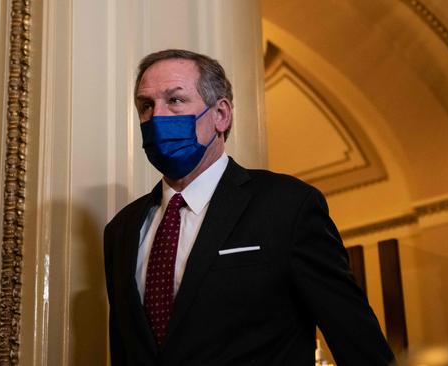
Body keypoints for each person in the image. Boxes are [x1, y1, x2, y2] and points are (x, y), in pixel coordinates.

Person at [104, 49, 394, 365]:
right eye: (146, 105)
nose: (157, 116)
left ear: (220, 115)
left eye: (175, 100)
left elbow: (356, 339)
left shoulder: (287, 205)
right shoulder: (122, 229)